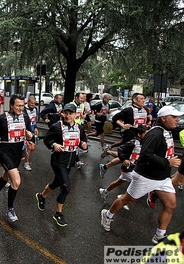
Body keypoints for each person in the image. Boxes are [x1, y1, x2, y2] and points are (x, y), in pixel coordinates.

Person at [101, 105, 183, 244]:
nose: (177, 119)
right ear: (164, 118)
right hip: (146, 176)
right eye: (174, 117)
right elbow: (145, 154)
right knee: (128, 200)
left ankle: (160, 235)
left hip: (162, 178)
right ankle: (107, 215)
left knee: (170, 205)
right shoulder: (155, 133)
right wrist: (167, 162)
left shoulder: (167, 132)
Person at [35, 103, 88, 226]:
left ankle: (41, 196)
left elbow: (83, 142)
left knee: (56, 182)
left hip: (70, 161)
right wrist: (54, 145)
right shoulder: (56, 126)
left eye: (71, 113)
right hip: (58, 161)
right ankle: (58, 213)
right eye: (66, 113)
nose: (68, 115)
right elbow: (47, 140)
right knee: (66, 187)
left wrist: (83, 145)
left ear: (76, 114)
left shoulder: (79, 128)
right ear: (62, 113)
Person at [0, 94, 34, 222]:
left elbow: (29, 134)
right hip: (5, 152)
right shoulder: (2, 118)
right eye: (18, 105)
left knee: (7, 175)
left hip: (17, 152)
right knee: (16, 181)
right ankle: (10, 209)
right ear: (11, 105)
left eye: (22, 105)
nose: (21, 108)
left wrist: (30, 136)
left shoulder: (25, 118)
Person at [99, 125, 148, 210]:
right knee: (139, 184)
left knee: (118, 182)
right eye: (146, 134)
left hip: (135, 169)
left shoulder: (146, 143)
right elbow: (121, 149)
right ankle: (123, 197)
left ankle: (105, 191)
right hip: (128, 169)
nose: (148, 136)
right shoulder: (133, 143)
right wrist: (124, 159)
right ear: (139, 134)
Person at [23, 95, 39, 171]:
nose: (33, 105)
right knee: (29, 147)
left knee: (32, 148)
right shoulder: (23, 109)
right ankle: (26, 163)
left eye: (34, 103)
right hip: (25, 131)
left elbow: (35, 119)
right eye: (31, 103)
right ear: (28, 102)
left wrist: (35, 127)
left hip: (32, 130)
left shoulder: (35, 109)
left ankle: (24, 156)